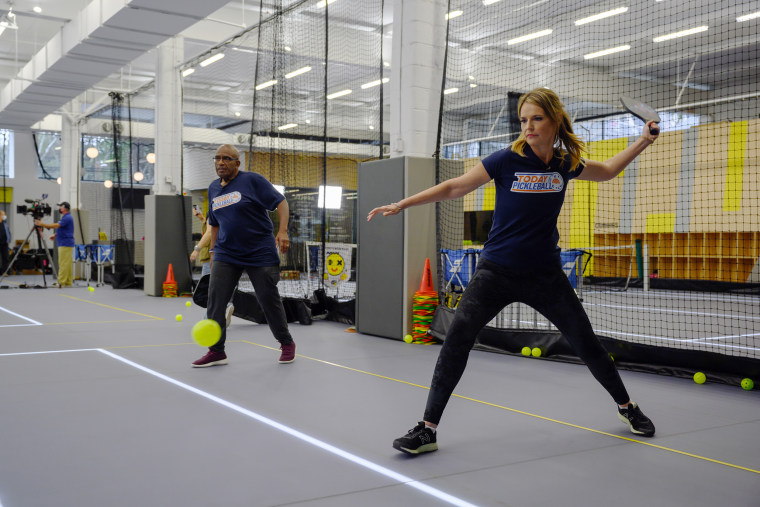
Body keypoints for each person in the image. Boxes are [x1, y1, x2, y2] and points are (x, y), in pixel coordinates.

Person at [367, 88, 659, 455]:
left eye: (536, 119)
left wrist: (642, 142)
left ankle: (627, 408)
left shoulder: (565, 163)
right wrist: (403, 203)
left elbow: (609, 171)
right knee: (457, 340)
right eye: (523, 120)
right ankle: (427, 430)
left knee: (587, 344)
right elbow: (456, 187)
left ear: (554, 120)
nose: (528, 127)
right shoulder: (506, 159)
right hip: (496, 272)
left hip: (545, 275)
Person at [192, 144, 296, 367]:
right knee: (216, 301)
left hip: (260, 252)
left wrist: (283, 230)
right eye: (217, 158)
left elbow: (281, 202)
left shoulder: (252, 181)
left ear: (237, 163)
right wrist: (212, 250)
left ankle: (286, 342)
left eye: (227, 159)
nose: (221, 162)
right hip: (226, 253)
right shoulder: (213, 188)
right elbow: (215, 222)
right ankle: (216, 350)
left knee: (268, 299)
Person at [190, 205, 234, 328]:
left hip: (211, 256)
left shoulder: (214, 209)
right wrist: (201, 218)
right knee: (219, 287)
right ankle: (225, 307)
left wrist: (197, 249)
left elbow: (210, 232)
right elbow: (212, 227)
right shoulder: (224, 211)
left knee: (210, 291)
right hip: (225, 255)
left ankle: (208, 320)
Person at [35, 202, 75, 287]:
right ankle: (68, 281)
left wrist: (42, 224)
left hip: (65, 243)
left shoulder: (67, 217)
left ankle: (60, 282)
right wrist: (56, 235)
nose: (60, 208)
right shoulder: (66, 217)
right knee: (67, 263)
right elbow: (63, 228)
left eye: (61, 207)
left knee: (63, 263)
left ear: (64, 208)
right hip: (65, 242)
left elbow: (57, 225)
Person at [0, 210, 11, 274]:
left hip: (5, 243)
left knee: (5, 258)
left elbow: (8, 232)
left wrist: (8, 240)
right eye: (3, 215)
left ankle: (5, 272)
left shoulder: (5, 224)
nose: (4, 216)